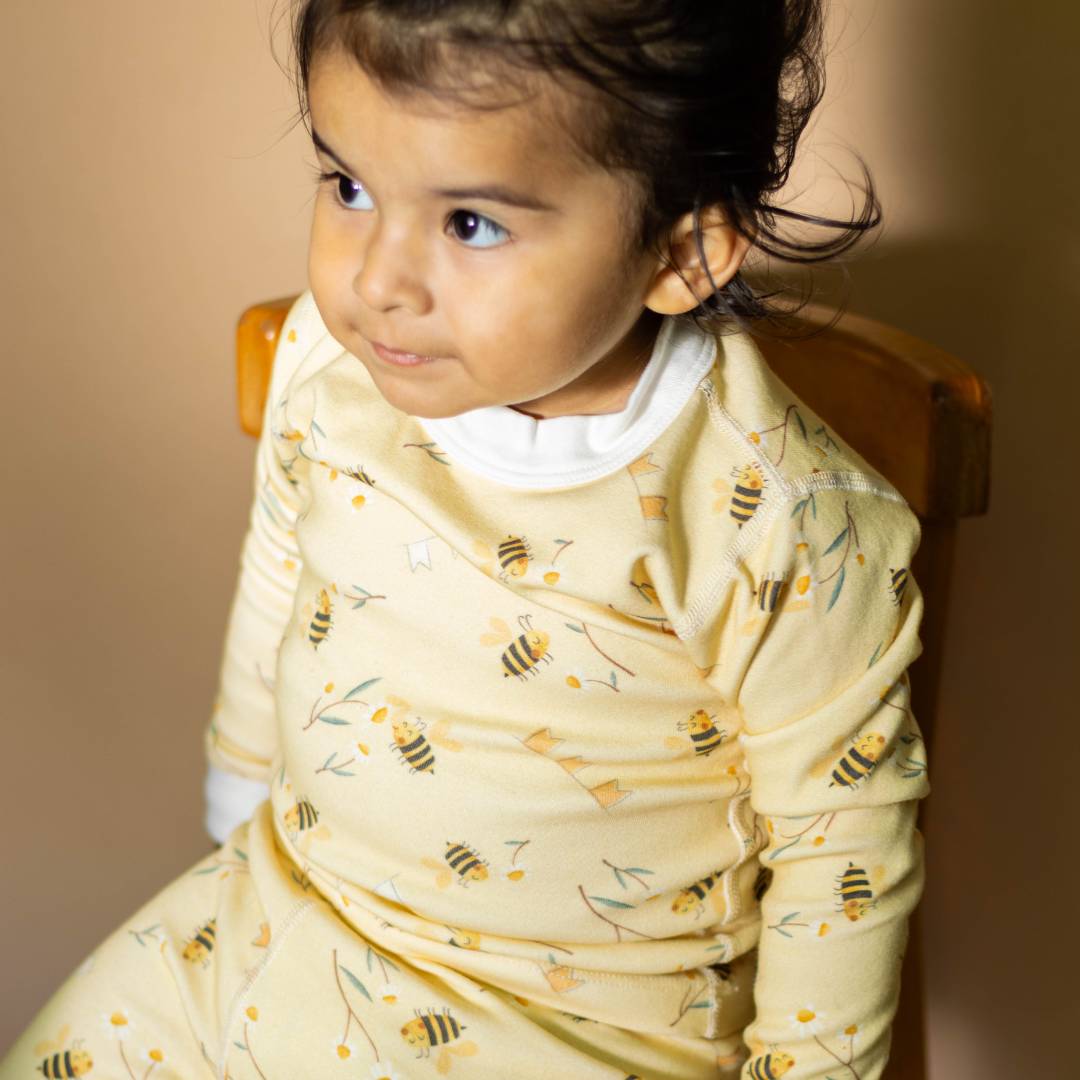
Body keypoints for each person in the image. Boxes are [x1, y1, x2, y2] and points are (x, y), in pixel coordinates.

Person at [2, 2, 932, 1078]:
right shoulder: (330, 363)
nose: (376, 283)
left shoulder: (777, 515)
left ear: (681, 253)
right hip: (285, 902)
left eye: (469, 224)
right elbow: (283, 565)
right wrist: (241, 788)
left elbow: (844, 838)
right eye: (348, 187)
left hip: (564, 1029)